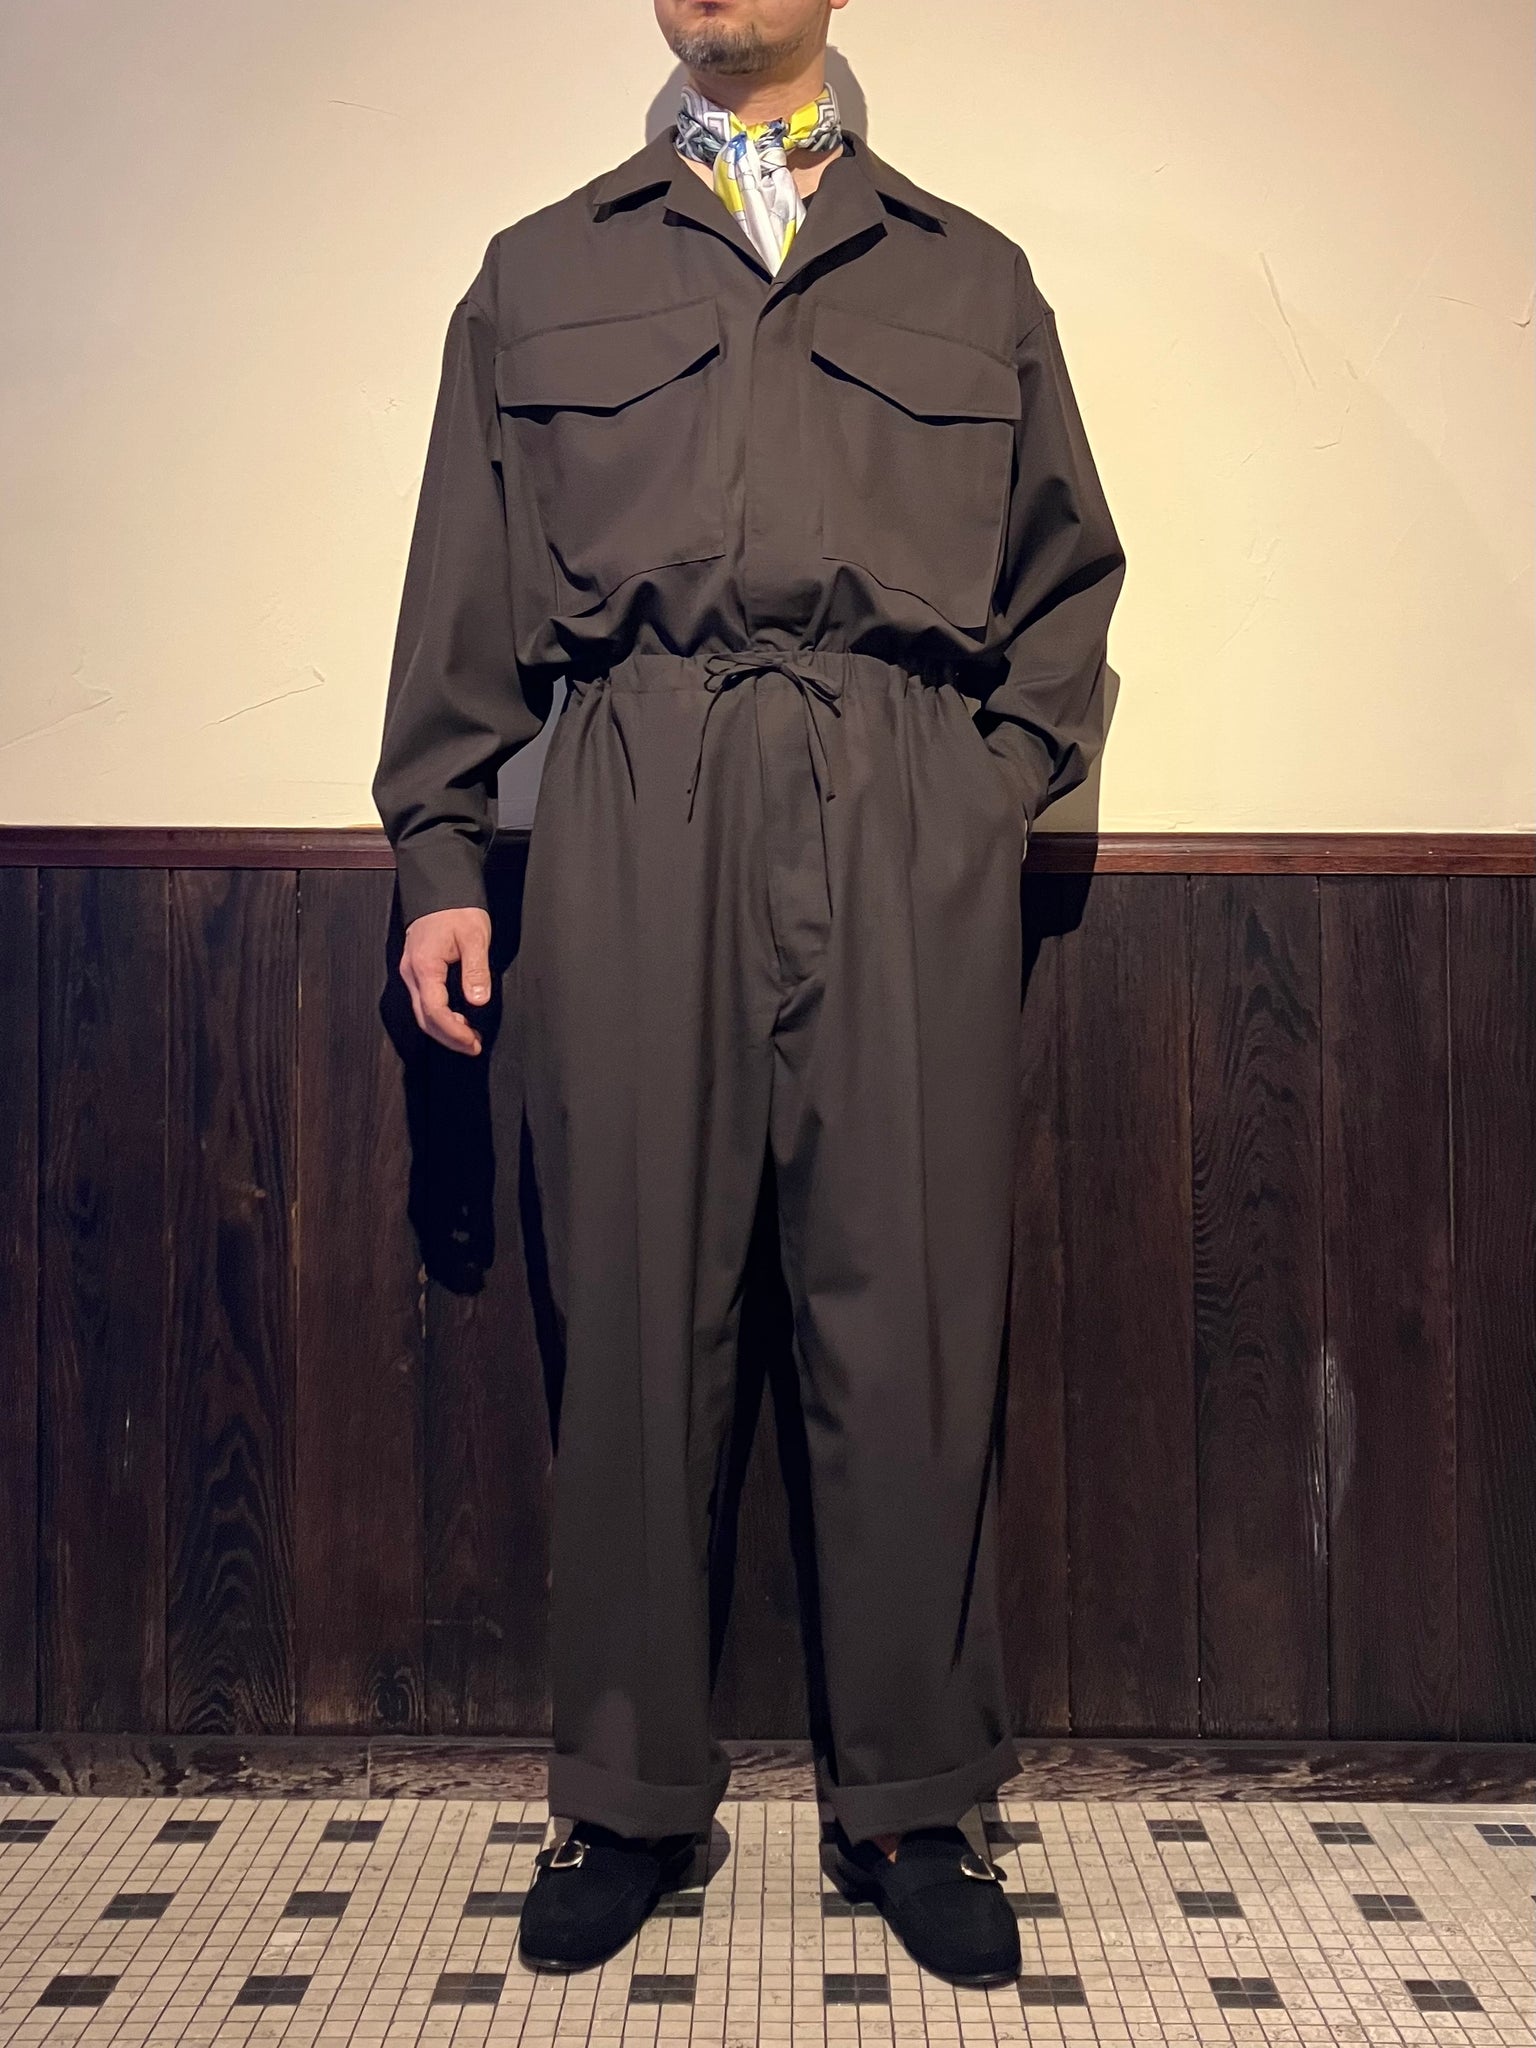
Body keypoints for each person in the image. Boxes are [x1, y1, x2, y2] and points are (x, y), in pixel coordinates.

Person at [371, 0, 1125, 1989]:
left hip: (901, 804)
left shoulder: (971, 278)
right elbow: (461, 582)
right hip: (636, 791)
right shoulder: (541, 272)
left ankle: (916, 1798)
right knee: (632, 1298)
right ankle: (626, 1795)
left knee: (913, 1307)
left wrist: (984, 794)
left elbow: (1066, 581)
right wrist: (440, 854)